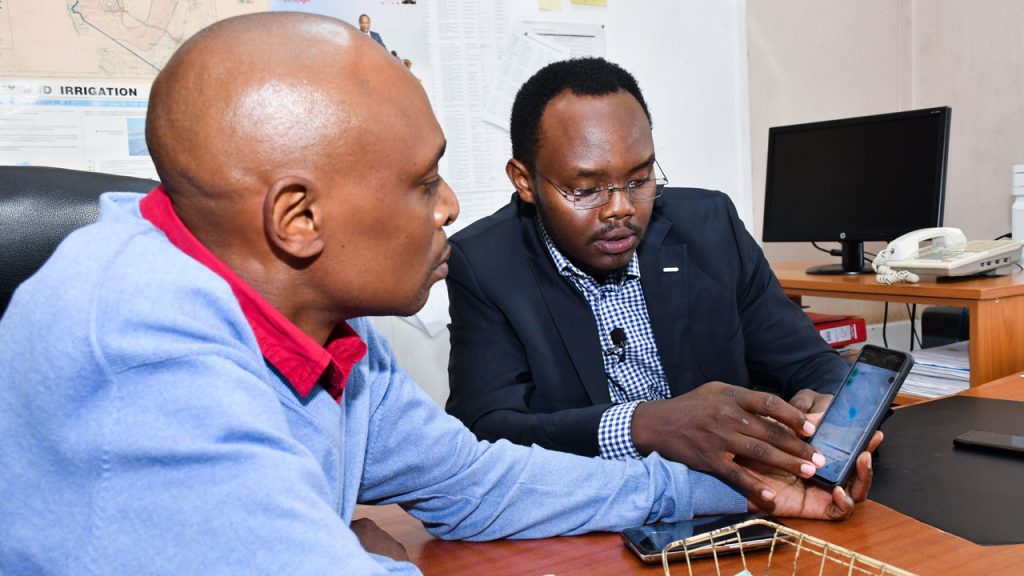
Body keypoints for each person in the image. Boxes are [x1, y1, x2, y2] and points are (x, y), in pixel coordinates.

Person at [0, 15, 873, 576]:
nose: (451, 207)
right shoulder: (142, 355)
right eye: (423, 183)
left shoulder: (323, 319)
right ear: (298, 218)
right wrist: (376, 556)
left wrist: (739, 492)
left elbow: (476, 482)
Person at [446, 57, 858, 506]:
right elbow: (486, 431)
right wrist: (641, 425)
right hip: (594, 516)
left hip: (742, 501)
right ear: (525, 181)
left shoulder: (711, 227)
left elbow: (814, 366)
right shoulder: (485, 263)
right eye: (586, 190)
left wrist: (827, 416)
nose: (620, 208)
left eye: (640, 179)